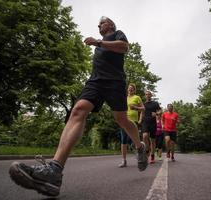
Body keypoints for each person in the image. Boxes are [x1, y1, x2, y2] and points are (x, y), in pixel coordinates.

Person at [9, 16, 148, 197]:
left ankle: (139, 146)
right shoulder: (100, 44)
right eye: (98, 24)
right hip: (95, 82)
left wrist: (98, 42)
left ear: (111, 25)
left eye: (102, 23)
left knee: (121, 119)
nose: (98, 26)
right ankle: (54, 171)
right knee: (78, 110)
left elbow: (124, 47)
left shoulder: (117, 34)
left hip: (114, 82)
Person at [118, 83, 144, 168]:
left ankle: (140, 156)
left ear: (134, 90)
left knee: (133, 141)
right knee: (123, 140)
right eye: (129, 88)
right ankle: (124, 160)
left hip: (134, 122)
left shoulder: (137, 97)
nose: (130, 90)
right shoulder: (124, 99)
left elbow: (143, 108)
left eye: (132, 88)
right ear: (127, 89)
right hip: (124, 121)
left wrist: (136, 108)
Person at [140, 90, 160, 164]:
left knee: (152, 140)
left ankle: (152, 156)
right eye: (146, 94)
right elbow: (142, 113)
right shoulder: (143, 104)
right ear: (145, 95)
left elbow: (160, 111)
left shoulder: (155, 103)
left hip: (153, 123)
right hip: (145, 122)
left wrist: (157, 113)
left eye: (149, 94)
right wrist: (139, 120)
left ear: (151, 95)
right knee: (145, 136)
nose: (147, 95)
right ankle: (147, 150)